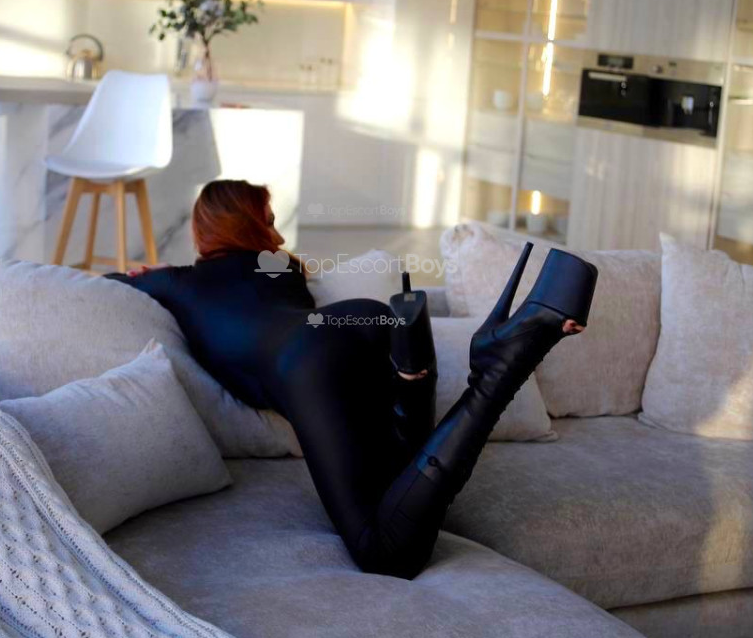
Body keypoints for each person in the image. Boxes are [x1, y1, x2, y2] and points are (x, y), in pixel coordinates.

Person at [107, 179, 597, 580]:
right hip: (365, 320)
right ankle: (465, 357)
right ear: (246, 225)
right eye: (269, 221)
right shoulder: (281, 269)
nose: (276, 233)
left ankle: (498, 371)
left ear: (203, 233)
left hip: (306, 360)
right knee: (404, 485)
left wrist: (149, 275)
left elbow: (109, 284)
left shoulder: (177, 282)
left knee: (384, 554)